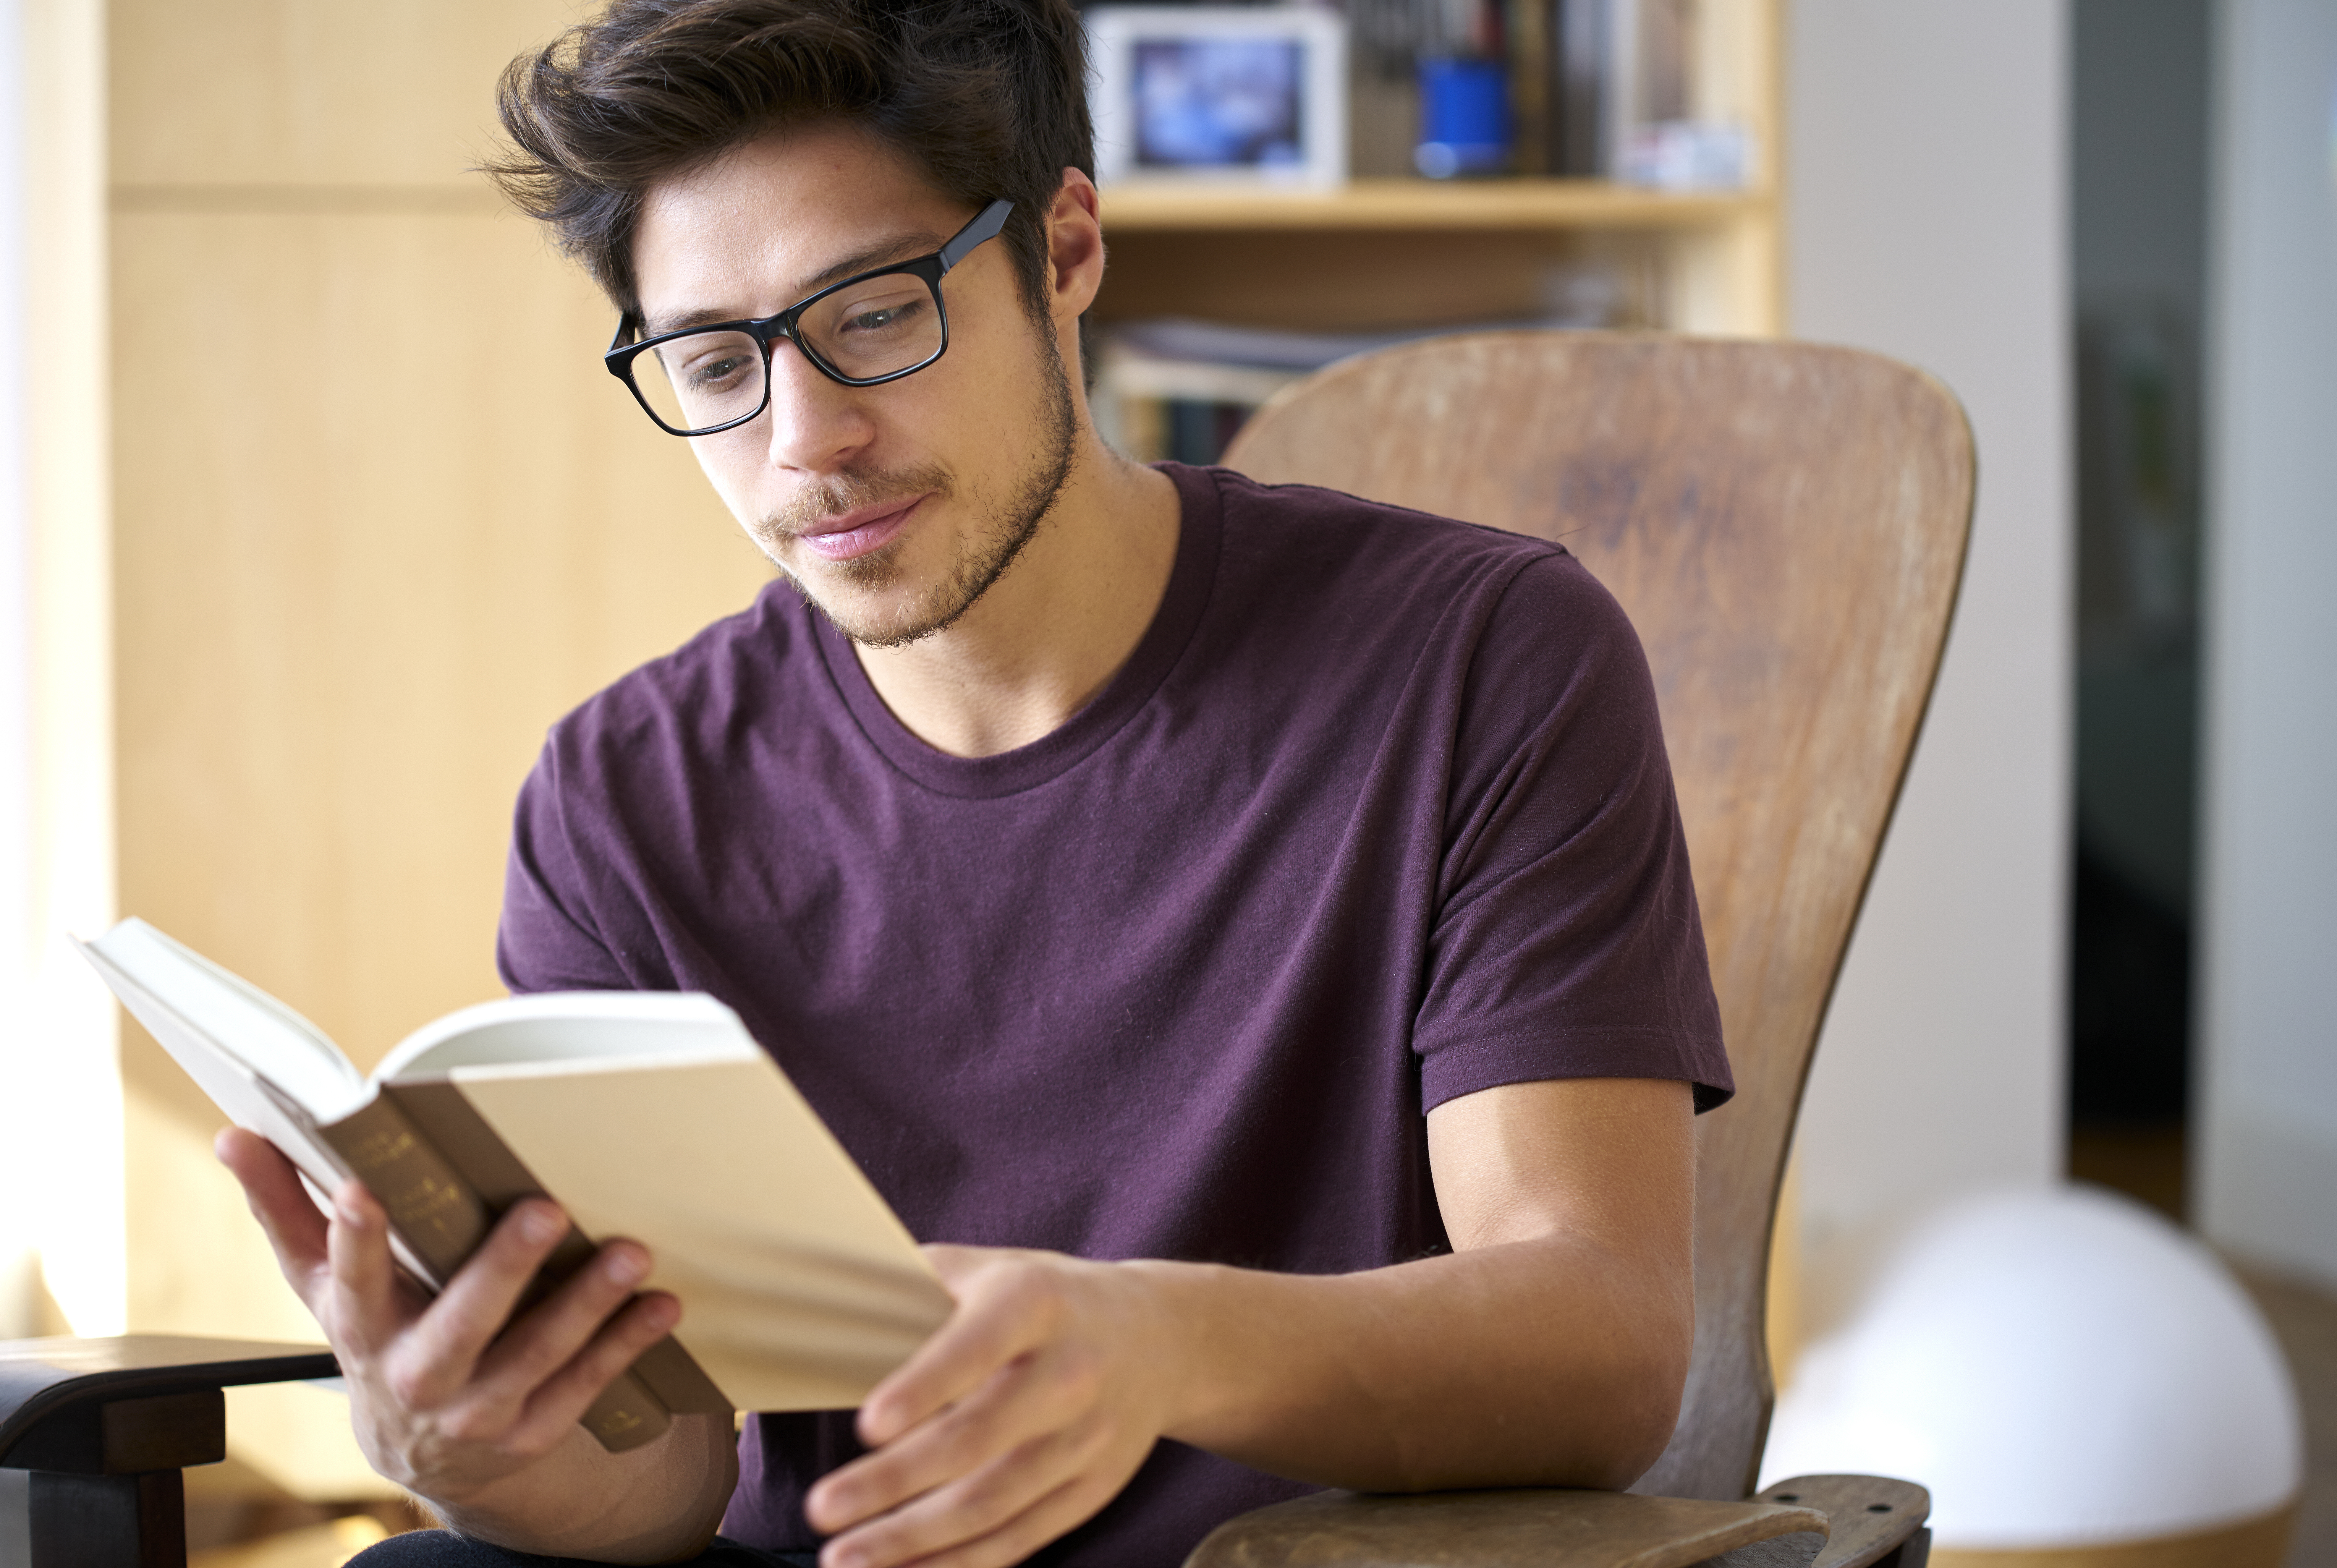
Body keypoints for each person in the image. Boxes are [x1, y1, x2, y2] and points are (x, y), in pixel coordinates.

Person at [215, 2, 1734, 1565]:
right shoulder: (623, 797)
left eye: (874, 314)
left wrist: (1157, 1342)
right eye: (717, 361)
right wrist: (469, 1447)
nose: (806, 441)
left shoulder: (1478, 657)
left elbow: (1599, 1341)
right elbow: (664, 1480)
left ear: (1065, 249)